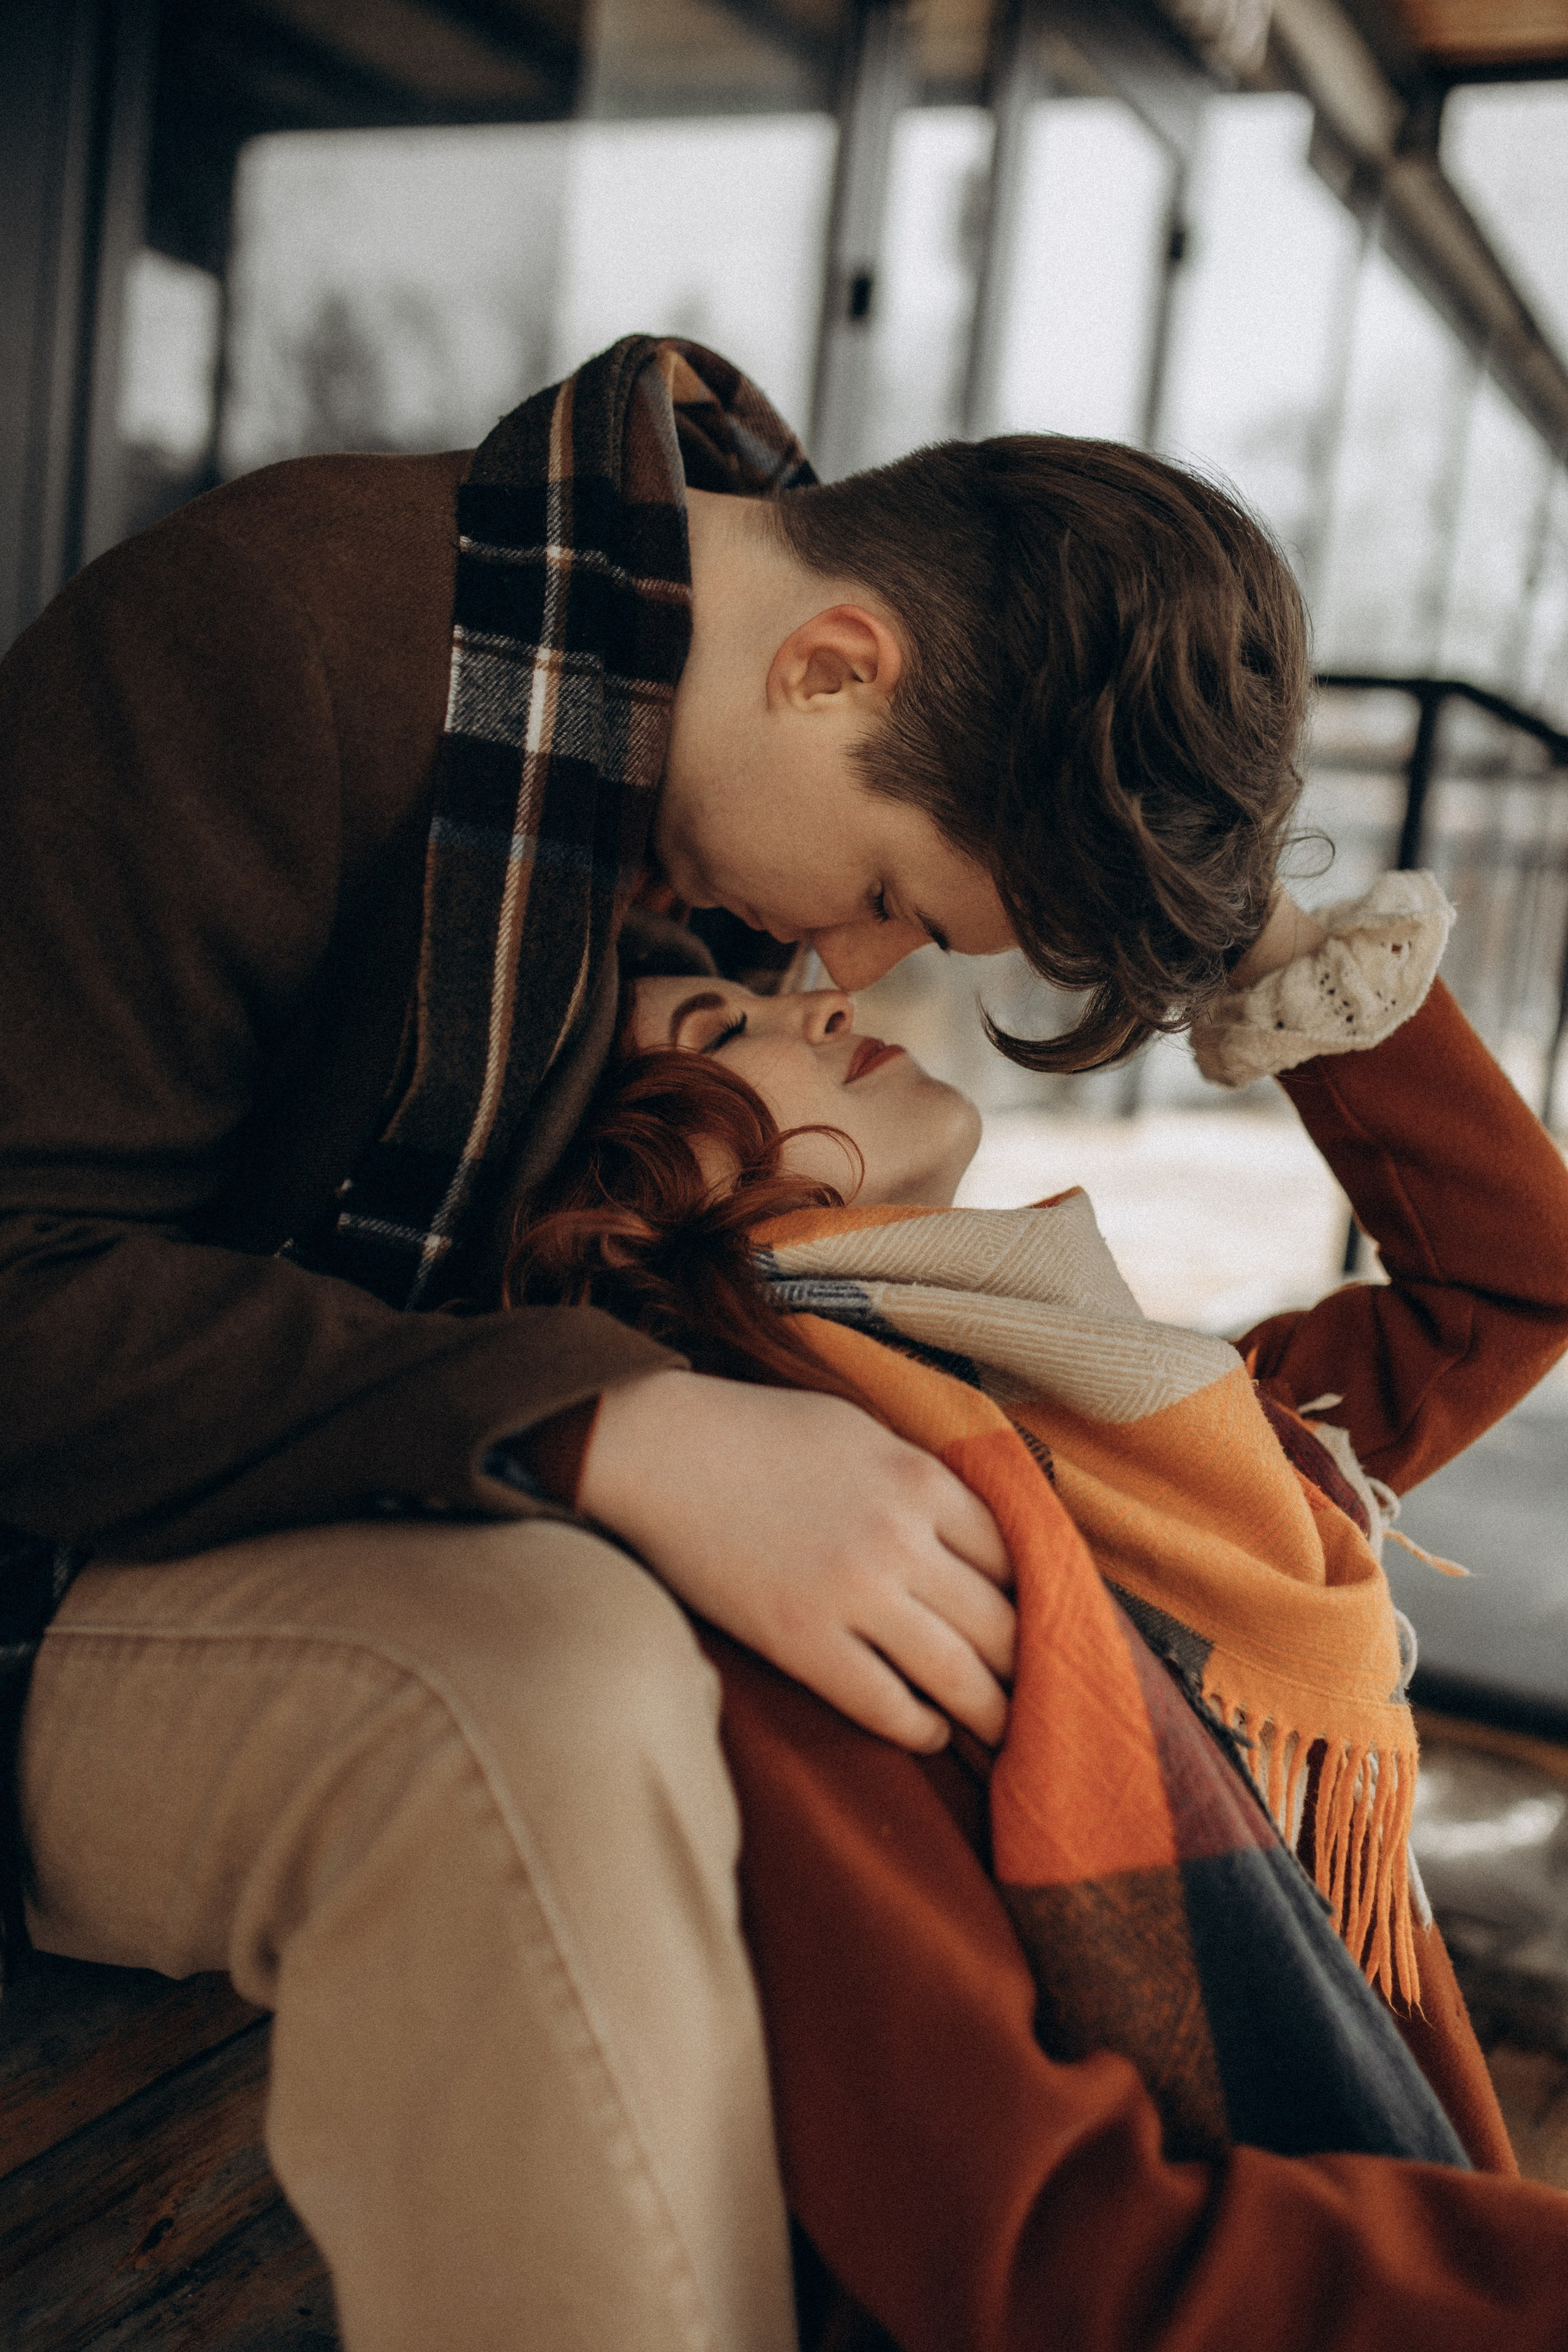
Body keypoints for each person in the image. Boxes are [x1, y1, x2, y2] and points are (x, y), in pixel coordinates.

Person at [0, 330, 1376, 2348]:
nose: (847, 964)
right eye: (899, 896)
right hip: (55, 1560)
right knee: (543, 1685)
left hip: (331, 1491)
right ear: (831, 662)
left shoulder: (662, 766)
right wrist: (613, 1433)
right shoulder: (277, 635)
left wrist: (1227, 879)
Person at [499, 877, 1568, 2351]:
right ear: (623, 1203)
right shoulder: (818, 1569)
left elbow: (1509, 1283)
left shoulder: (1123, 1443)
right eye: (715, 1029)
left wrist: (1226, 909)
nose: (822, 1000)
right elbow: (1053, 2252)